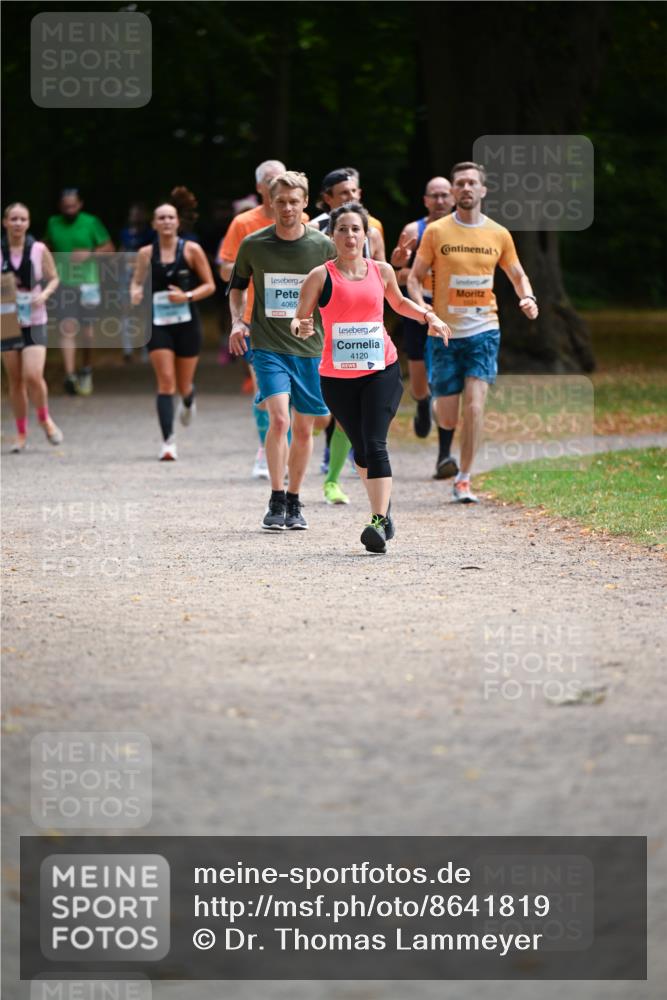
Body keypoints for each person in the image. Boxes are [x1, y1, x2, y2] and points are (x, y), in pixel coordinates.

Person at [293, 202, 450, 553]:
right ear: (331, 236)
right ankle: (385, 510)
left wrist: (429, 317)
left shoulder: (381, 271)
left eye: (356, 229)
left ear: (366, 235)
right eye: (342, 229)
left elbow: (400, 304)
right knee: (361, 448)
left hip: (381, 370)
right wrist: (300, 327)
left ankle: (377, 522)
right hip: (337, 378)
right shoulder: (319, 276)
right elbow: (299, 318)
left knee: (375, 443)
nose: (350, 235)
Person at [408, 162, 539, 502]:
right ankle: (436, 406)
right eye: (460, 183)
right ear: (453, 191)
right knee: (447, 415)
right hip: (444, 334)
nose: (466, 188)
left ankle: (464, 478)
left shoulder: (498, 233)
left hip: (484, 331)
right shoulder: (436, 232)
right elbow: (413, 277)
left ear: (483, 190)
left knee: (475, 407)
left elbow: (518, 274)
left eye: (471, 183)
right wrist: (423, 311)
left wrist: (527, 297)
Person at [228, 170, 335, 531]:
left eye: (294, 201)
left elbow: (336, 293)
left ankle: (294, 498)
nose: (287, 208)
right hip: (268, 345)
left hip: (309, 348)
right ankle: (276, 498)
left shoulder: (323, 246)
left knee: (305, 429)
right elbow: (237, 287)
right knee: (279, 420)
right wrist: (238, 322)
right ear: (270, 203)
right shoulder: (254, 244)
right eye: (281, 202)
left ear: (305, 203)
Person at [217, 159, 293, 479]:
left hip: (295, 320)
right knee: (266, 390)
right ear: (260, 187)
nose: (278, 185)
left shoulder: (302, 220)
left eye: (283, 179)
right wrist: (251, 266)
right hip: (255, 319)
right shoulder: (244, 223)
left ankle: (283, 452)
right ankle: (269, 448)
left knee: (292, 392)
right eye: (272, 180)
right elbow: (225, 269)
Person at [130, 200, 215, 460]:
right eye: (161, 217)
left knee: (183, 384)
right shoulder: (145, 253)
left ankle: (188, 399)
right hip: (157, 325)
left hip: (187, 324)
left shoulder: (191, 250)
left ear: (178, 222)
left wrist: (186, 296)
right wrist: (135, 293)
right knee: (166, 381)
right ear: (154, 224)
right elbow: (136, 283)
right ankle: (168, 442)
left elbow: (210, 285)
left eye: (170, 217)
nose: (166, 221)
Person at [390, 176, 454, 442]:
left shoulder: (464, 231)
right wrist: (413, 273)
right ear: (425, 200)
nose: (440, 201)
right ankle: (422, 403)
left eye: (444, 195)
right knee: (418, 378)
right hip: (419, 309)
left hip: (453, 310)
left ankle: (443, 415)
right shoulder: (413, 231)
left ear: (452, 198)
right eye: (434, 196)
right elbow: (395, 275)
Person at [1, 203, 62, 452]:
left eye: (22, 219)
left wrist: (44, 294)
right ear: (5, 222)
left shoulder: (38, 249)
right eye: (13, 219)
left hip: (35, 319)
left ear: (28, 223)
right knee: (15, 380)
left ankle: (45, 419)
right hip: (7, 320)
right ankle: (21, 433)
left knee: (33, 375)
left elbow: (54, 278)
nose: (18, 223)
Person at [44, 189, 114, 396]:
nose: (69, 210)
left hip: (88, 283)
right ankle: (70, 375)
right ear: (60, 206)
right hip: (63, 282)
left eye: (73, 206)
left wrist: (90, 253)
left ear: (80, 204)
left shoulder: (91, 222)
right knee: (67, 328)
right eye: (66, 207)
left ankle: (86, 368)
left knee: (87, 332)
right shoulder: (53, 223)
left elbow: (110, 249)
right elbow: (45, 247)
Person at [118, 202, 154, 362]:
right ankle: (128, 349)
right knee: (126, 311)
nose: (136, 217)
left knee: (146, 312)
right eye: (134, 214)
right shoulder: (124, 233)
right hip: (126, 276)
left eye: (139, 214)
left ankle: (147, 348)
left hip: (145, 275)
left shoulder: (150, 234)